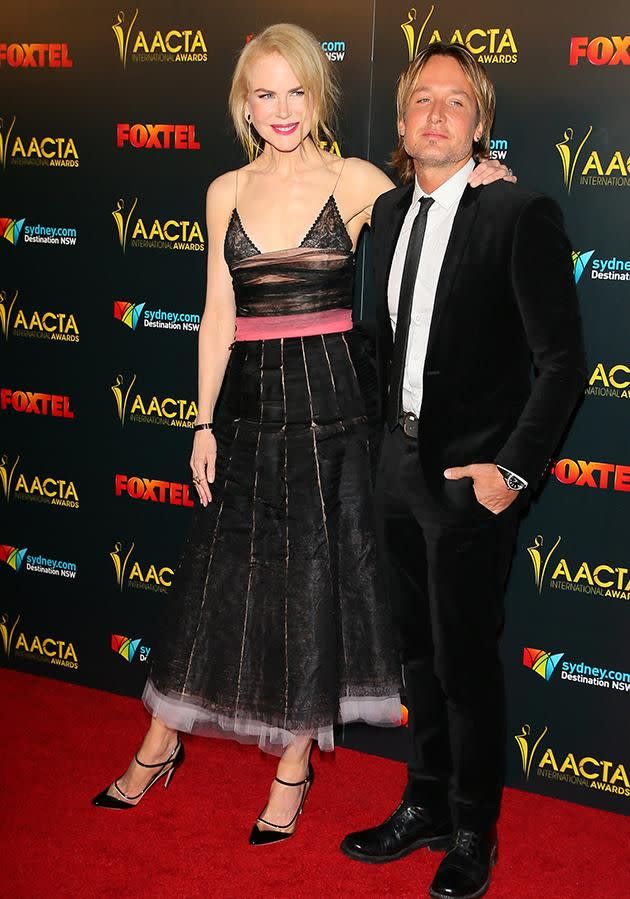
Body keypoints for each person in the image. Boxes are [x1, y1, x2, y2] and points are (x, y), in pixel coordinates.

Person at [92, 25, 513, 845]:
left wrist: (485, 174)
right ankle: (159, 739)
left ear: (318, 94)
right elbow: (218, 317)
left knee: (312, 585)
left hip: (332, 410)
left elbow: (436, 199)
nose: (281, 110)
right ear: (244, 105)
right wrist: (202, 419)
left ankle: (293, 762)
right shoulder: (223, 191)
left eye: (295, 91)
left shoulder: (356, 180)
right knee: (218, 583)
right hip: (246, 408)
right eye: (264, 94)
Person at [340, 42, 586, 897]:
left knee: (467, 667)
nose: (435, 114)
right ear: (403, 125)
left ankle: (475, 828)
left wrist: (511, 473)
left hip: (470, 484)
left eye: (456, 103)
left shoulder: (520, 214)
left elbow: (562, 362)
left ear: (480, 128)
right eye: (421, 101)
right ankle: (427, 802)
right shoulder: (388, 210)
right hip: (396, 469)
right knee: (416, 658)